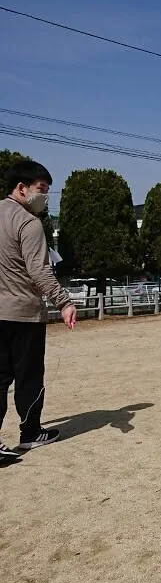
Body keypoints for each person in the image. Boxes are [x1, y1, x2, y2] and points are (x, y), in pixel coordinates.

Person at [0, 160, 77, 464]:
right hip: (22, 313)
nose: (44, 197)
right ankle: (30, 432)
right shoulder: (29, 223)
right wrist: (64, 301)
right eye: (41, 190)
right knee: (29, 375)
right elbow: (38, 271)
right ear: (22, 188)